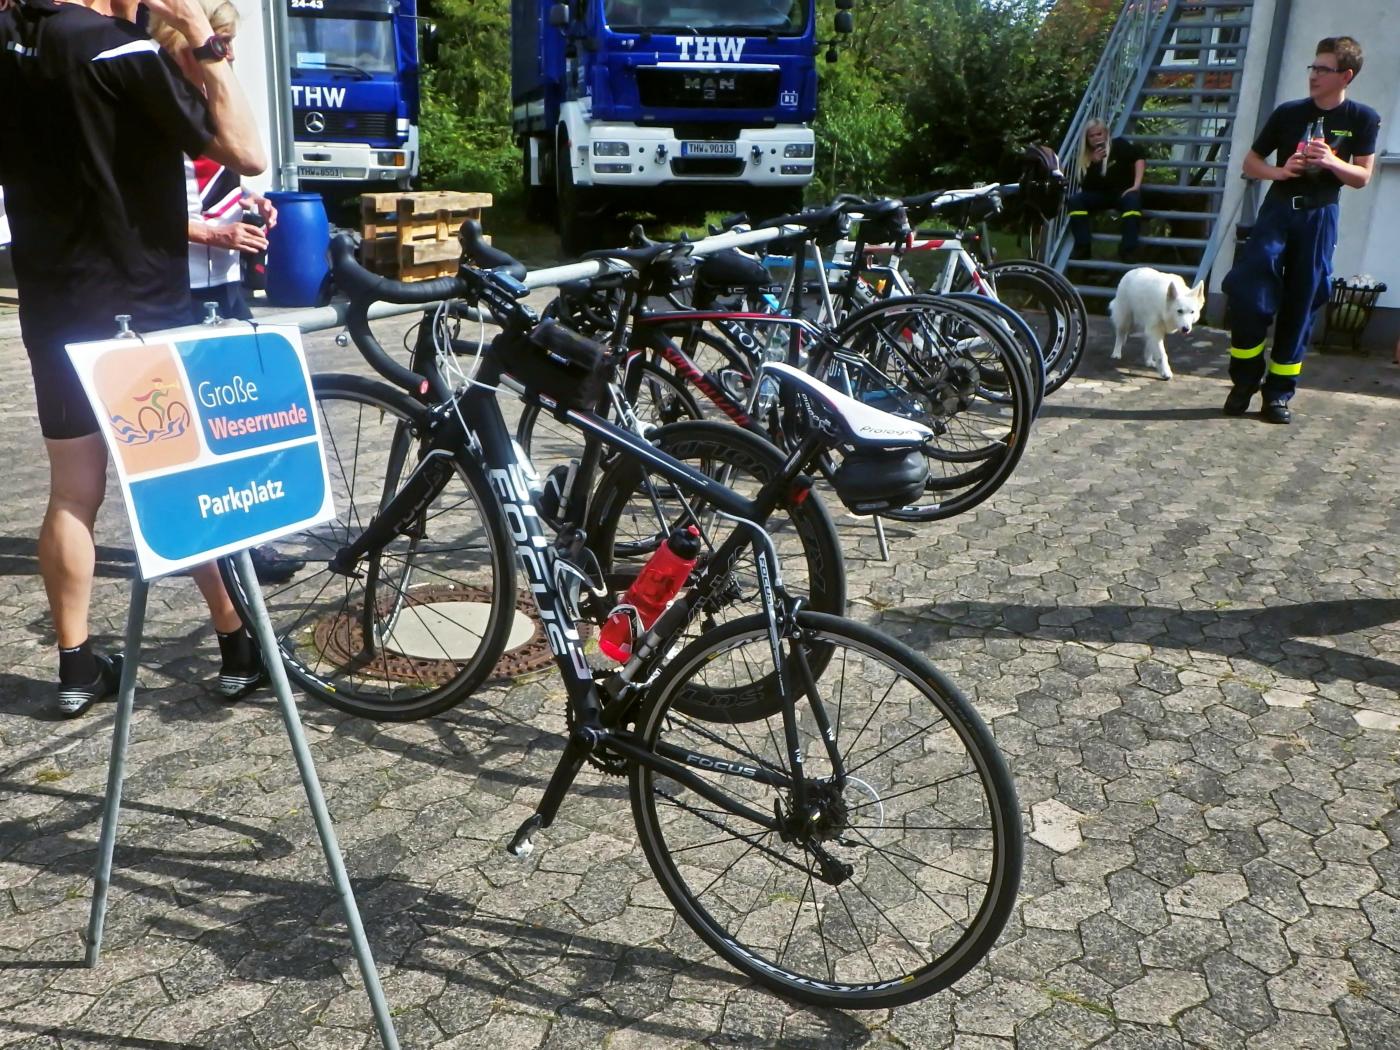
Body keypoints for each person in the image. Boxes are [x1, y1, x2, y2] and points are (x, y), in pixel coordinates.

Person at [0, 0, 270, 715]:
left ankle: (75, 667)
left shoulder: (12, 44)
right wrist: (205, 46)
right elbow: (246, 154)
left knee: (71, 494)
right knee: (176, 479)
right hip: (138, 307)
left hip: (53, 303)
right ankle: (237, 642)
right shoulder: (118, 49)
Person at [1222, 36, 1379, 424]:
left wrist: (1330, 161)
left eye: (1323, 70)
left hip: (1320, 215)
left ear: (1346, 76)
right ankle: (1244, 379)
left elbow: (1362, 177)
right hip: (1278, 210)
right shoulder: (1288, 113)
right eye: (1313, 68)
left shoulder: (1362, 117)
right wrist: (1281, 171)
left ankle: (1277, 395)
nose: (1313, 76)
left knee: (1303, 299)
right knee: (1248, 289)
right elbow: (1251, 161)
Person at [149, 4, 273, 322]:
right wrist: (213, 235)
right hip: (173, 282)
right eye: (221, 42)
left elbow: (205, 176)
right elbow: (133, 209)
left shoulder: (211, 96)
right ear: (182, 41)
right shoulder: (156, 98)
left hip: (225, 278)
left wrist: (245, 197)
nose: (229, 54)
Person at [1067, 118, 1146, 262]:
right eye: (1092, 136)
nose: (1096, 138)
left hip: (1122, 193)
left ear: (1106, 134)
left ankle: (1128, 250)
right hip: (1100, 196)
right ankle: (1083, 247)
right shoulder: (1086, 158)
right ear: (1087, 139)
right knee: (1075, 200)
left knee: (1133, 202)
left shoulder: (1119, 145)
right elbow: (1086, 187)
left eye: (1099, 134)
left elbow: (1139, 157)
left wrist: (1136, 185)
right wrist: (1093, 163)